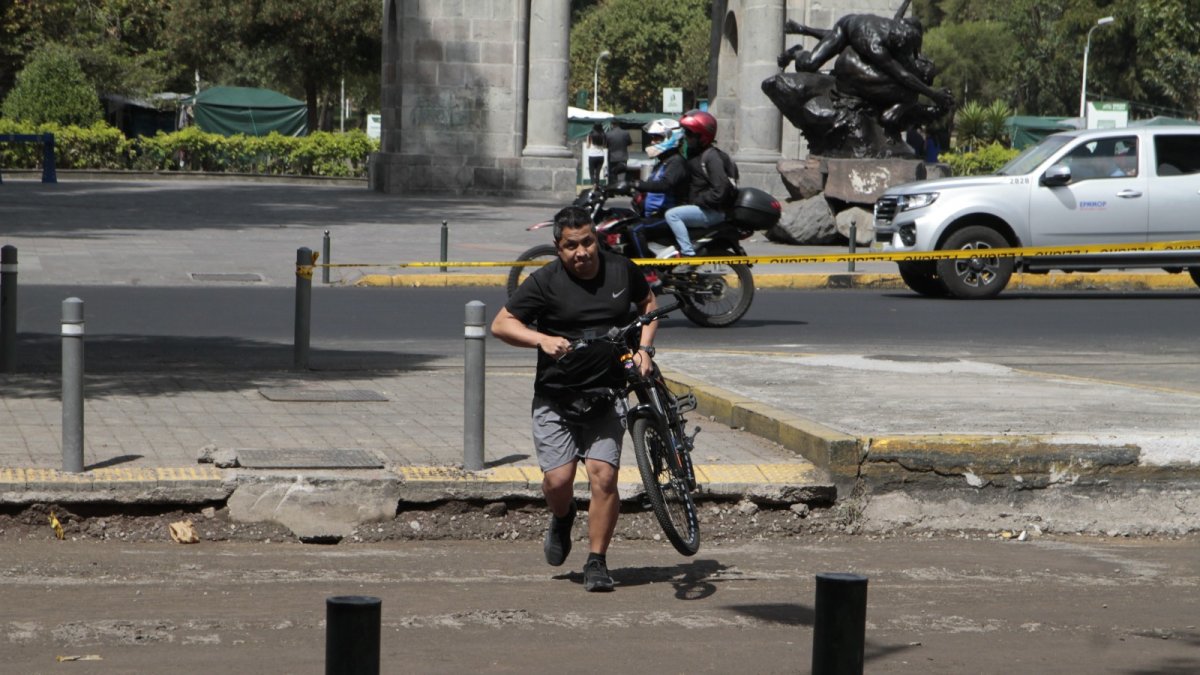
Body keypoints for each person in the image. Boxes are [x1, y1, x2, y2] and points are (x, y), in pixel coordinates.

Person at [491, 206, 659, 593]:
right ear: (558, 247)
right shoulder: (544, 281)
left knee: (604, 477)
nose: (581, 252)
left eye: (587, 242)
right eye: (571, 246)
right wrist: (541, 339)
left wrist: (645, 350)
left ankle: (597, 561)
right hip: (557, 397)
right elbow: (501, 323)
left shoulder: (620, 269)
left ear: (596, 238)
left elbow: (648, 304)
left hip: (608, 393)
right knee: (558, 481)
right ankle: (562, 517)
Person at [662, 109, 737, 260]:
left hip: (713, 211)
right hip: (702, 208)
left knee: (673, 215)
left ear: (702, 137)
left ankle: (688, 255)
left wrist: (698, 199)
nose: (686, 137)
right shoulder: (694, 154)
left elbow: (721, 190)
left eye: (689, 134)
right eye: (685, 132)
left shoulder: (711, 157)